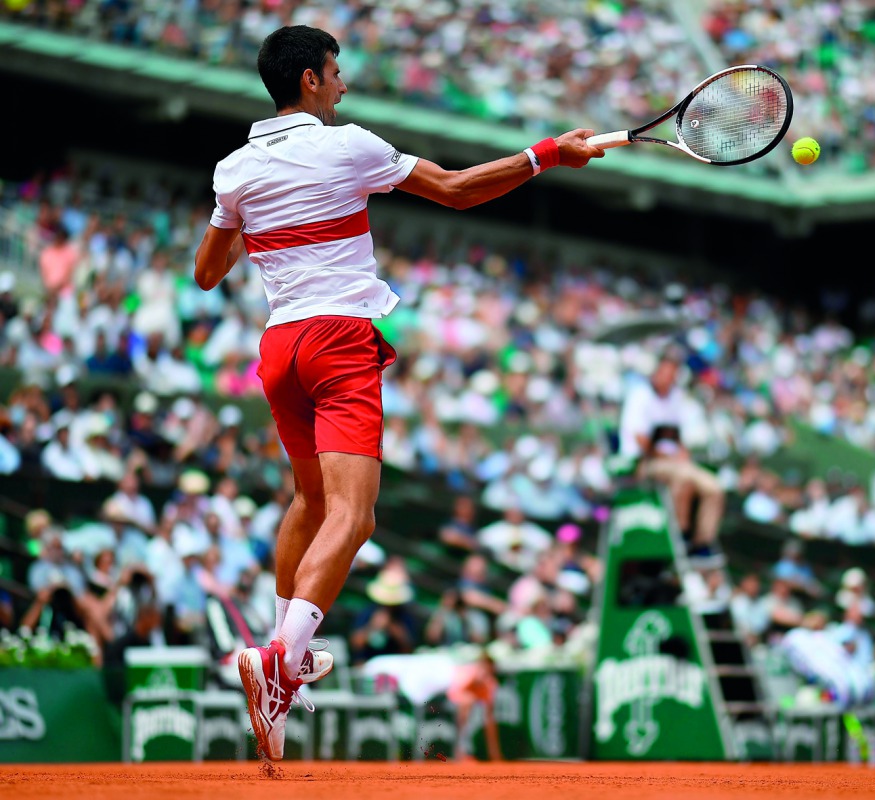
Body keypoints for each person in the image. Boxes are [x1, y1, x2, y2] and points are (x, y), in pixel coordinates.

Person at [194, 24, 603, 761]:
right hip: (339, 340)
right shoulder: (348, 143)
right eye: (336, 70)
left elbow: (206, 272)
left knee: (310, 502)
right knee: (354, 516)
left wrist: (249, 222)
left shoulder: (233, 169)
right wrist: (548, 154)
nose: (343, 82)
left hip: (279, 346)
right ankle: (280, 660)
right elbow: (454, 189)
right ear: (312, 81)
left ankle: (279, 665)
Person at [619, 355, 724, 559]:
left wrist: (682, 453)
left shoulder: (676, 398)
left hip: (674, 463)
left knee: (714, 487)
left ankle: (702, 542)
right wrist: (671, 457)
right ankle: (680, 534)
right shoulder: (640, 396)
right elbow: (641, 440)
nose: (670, 378)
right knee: (683, 478)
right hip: (645, 464)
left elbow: (678, 437)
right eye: (666, 373)